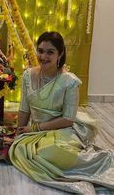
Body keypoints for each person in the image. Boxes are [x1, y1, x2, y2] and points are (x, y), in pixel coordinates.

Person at [9, 31, 114, 194]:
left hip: (61, 129)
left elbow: (68, 119)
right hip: (35, 130)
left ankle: (101, 164)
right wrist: (18, 132)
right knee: (21, 149)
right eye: (41, 50)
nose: (43, 56)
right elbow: (24, 109)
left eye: (50, 52)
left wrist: (34, 129)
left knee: (48, 151)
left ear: (61, 54)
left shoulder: (69, 82)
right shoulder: (28, 75)